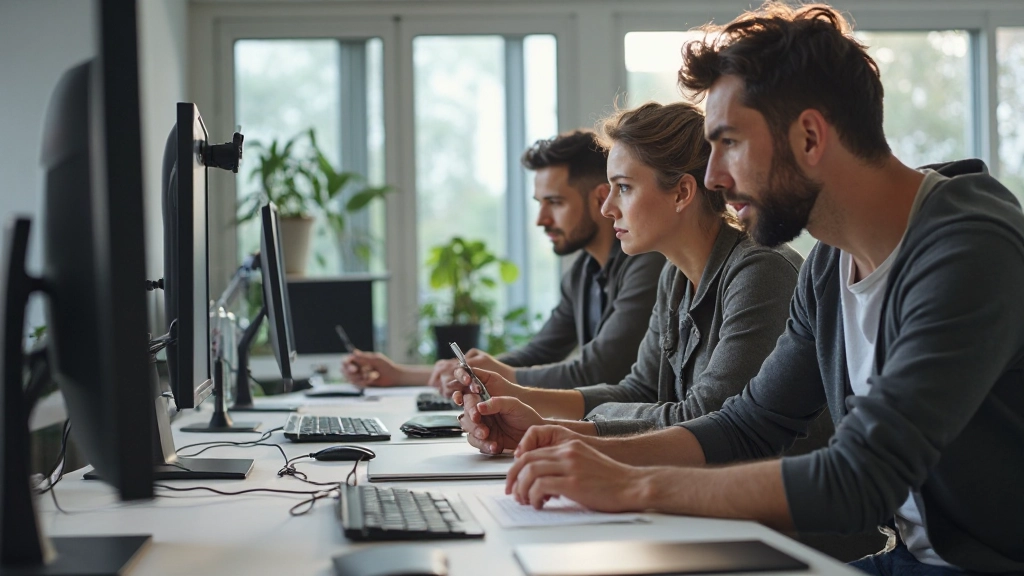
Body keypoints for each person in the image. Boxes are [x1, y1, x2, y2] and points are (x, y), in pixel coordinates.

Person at [493, 3, 1024, 574]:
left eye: (729, 143)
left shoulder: (969, 249)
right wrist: (583, 449)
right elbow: (749, 424)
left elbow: (858, 478)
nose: (715, 177)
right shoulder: (828, 264)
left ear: (810, 137)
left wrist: (634, 485)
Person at [451, 101, 817, 456]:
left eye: (623, 187)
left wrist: (563, 427)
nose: (608, 208)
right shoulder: (674, 277)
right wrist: (521, 397)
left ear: (682, 193)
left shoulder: (759, 272)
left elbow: (703, 418)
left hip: (775, 512)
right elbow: (639, 389)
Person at [343, 131, 665, 390]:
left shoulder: (646, 264)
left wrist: (496, 379)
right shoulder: (583, 273)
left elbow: (597, 370)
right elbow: (535, 354)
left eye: (554, 203)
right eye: (540, 203)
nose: (541, 220)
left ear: (599, 198)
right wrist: (399, 375)